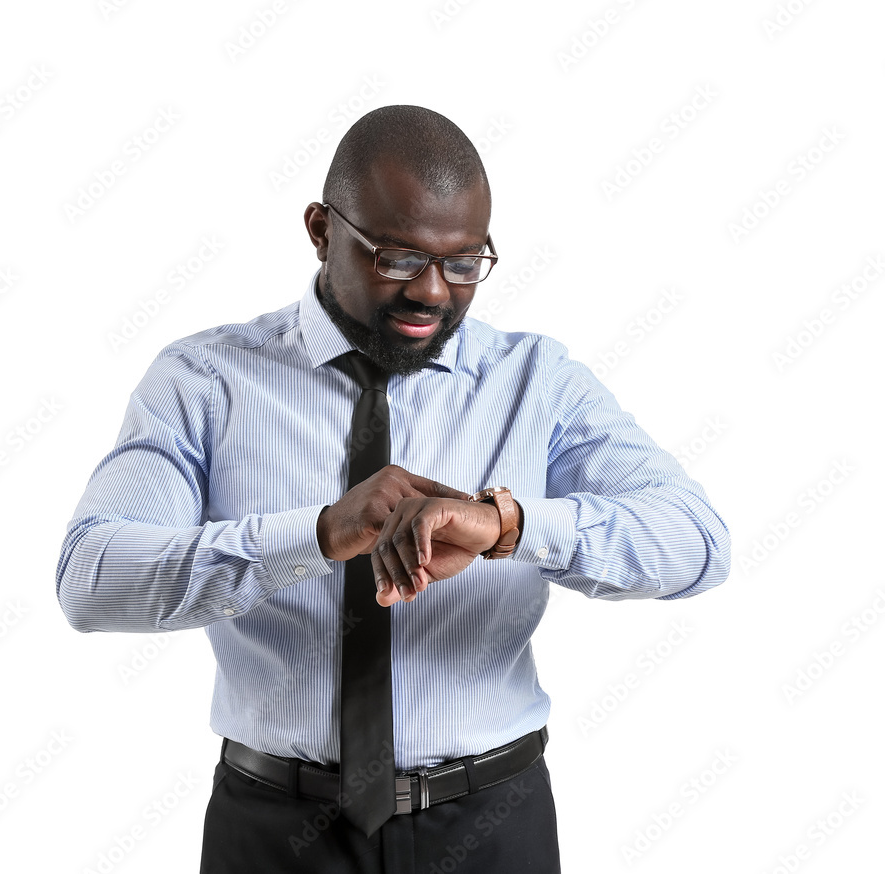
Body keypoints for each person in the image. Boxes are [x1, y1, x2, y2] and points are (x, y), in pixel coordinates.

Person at [56, 104, 730, 873]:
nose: (434, 293)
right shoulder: (206, 381)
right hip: (273, 831)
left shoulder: (536, 382)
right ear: (320, 229)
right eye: (399, 259)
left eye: (464, 263)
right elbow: (90, 579)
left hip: (490, 825)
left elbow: (698, 543)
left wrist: (506, 525)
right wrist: (314, 535)